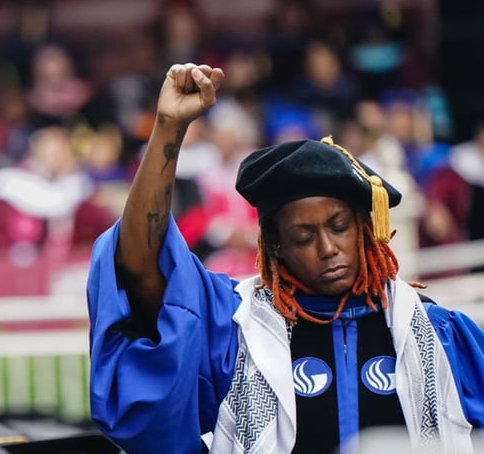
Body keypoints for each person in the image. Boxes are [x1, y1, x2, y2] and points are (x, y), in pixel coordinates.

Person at [87, 63, 484, 453]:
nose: (328, 247)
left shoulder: (437, 334)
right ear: (275, 245)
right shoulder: (236, 331)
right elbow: (141, 264)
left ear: (364, 228)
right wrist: (168, 130)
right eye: (304, 235)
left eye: (339, 226)